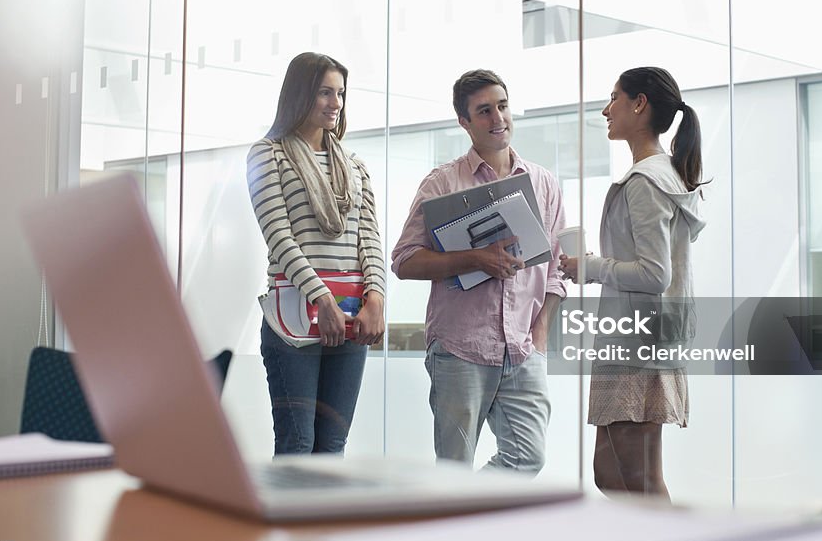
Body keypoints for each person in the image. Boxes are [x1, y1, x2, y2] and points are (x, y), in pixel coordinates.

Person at [392, 69, 566, 474]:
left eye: (502, 106)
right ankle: (455, 528)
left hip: (523, 348)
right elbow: (404, 260)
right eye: (484, 111)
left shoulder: (543, 183)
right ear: (464, 123)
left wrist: (540, 335)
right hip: (460, 348)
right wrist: (474, 258)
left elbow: (555, 269)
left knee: (528, 457)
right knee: (454, 468)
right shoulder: (442, 183)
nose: (497, 119)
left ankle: (471, 518)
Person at [559, 66, 706, 500]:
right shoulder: (663, 175)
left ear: (639, 104)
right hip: (633, 339)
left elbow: (654, 274)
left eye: (615, 98)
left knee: (639, 481)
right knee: (609, 473)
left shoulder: (646, 181)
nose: (606, 110)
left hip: (637, 344)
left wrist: (593, 267)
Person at [246, 52, 385, 456]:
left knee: (333, 446)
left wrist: (376, 297)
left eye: (340, 93)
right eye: (325, 92)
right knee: (297, 443)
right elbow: (279, 237)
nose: (335, 103)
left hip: (352, 315)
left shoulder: (355, 166)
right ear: (300, 94)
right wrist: (320, 298)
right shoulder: (267, 154)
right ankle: (286, 522)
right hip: (295, 317)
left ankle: (324, 523)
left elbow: (369, 239)